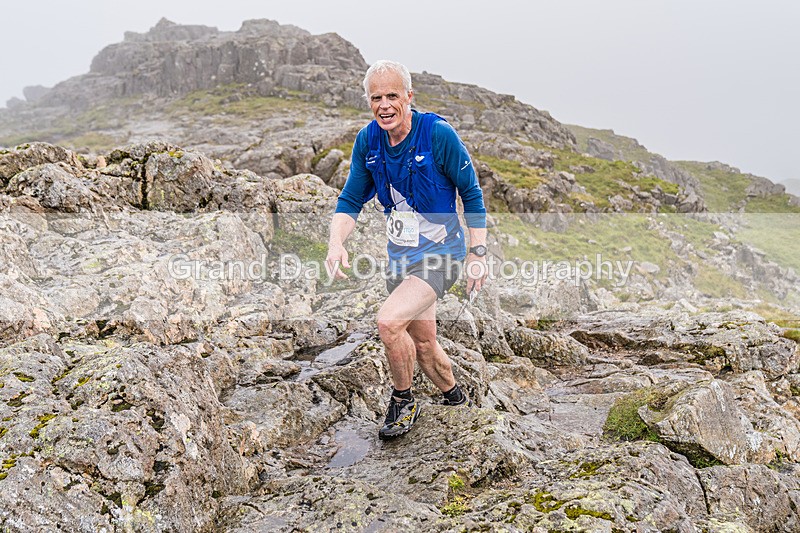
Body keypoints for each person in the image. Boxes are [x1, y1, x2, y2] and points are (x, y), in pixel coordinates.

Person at [325, 60, 487, 440]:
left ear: (409, 97)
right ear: (368, 101)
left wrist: (477, 256)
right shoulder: (368, 141)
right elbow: (350, 199)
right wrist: (336, 244)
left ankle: (403, 399)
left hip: (441, 256)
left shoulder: (437, 135)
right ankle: (457, 399)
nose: (384, 105)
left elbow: (472, 195)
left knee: (388, 322)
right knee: (425, 344)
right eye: (376, 97)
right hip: (400, 257)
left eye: (392, 96)